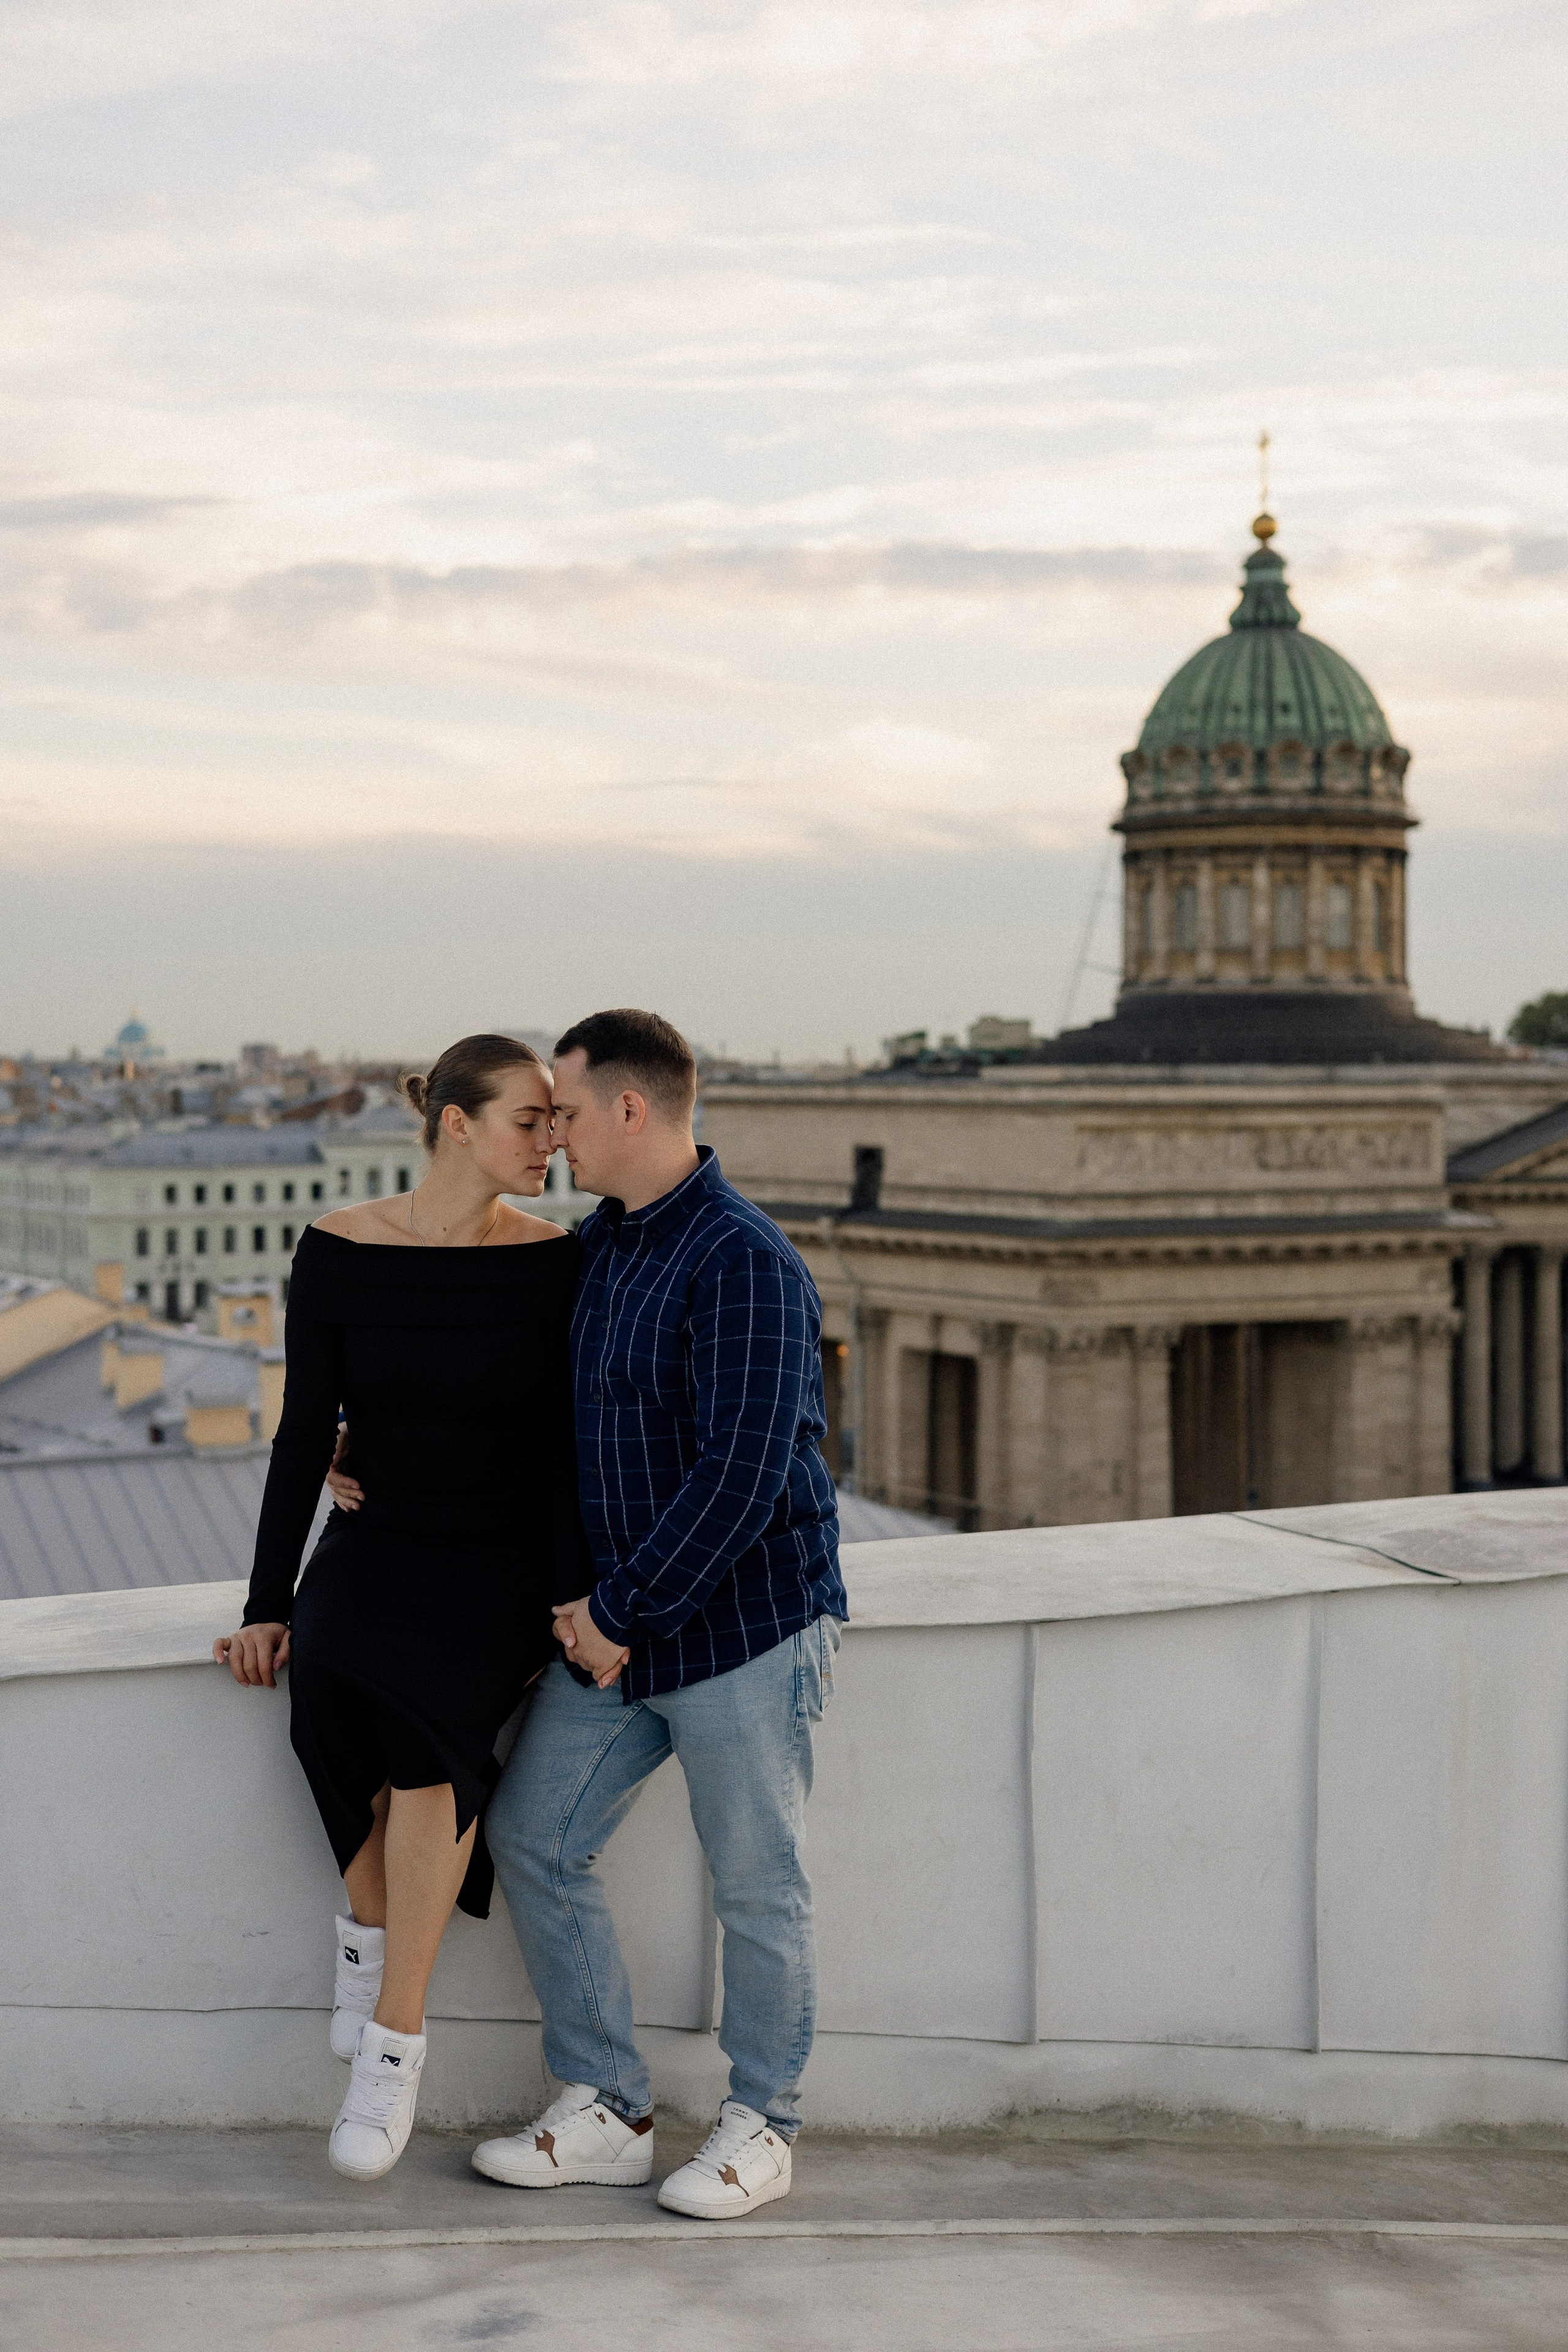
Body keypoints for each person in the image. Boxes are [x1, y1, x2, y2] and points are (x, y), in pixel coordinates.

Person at [468, 1008, 846, 2219]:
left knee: (756, 1886)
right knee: (535, 1837)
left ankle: (762, 2125)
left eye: (566, 1115)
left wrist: (618, 1612)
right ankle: (609, 2109)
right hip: (621, 1632)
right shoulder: (607, 1247)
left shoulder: (743, 1261)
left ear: (631, 1111)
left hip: (739, 1629)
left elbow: (741, 1472)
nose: (556, 1139)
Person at [214, 1033, 589, 2184]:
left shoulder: (557, 1258)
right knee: (321, 1682)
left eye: (560, 1121)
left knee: (430, 1751)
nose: (554, 1141)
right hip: (378, 1541)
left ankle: (395, 2042)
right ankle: (367, 1931)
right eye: (532, 1121)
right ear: (457, 1125)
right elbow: (300, 1431)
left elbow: (568, 1448)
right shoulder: (336, 1250)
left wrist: (573, 1590)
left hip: (502, 1564)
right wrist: (268, 1598)